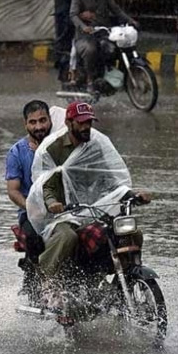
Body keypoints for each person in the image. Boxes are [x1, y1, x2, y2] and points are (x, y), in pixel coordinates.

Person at [26, 102, 151, 310]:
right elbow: (45, 184)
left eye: (89, 122)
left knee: (131, 232)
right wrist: (53, 203)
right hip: (62, 214)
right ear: (68, 122)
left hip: (93, 208)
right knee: (68, 236)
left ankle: (125, 278)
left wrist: (131, 193)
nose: (86, 127)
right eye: (81, 123)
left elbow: (109, 178)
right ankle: (48, 282)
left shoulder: (95, 145)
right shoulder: (52, 148)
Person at [5, 100, 54, 301]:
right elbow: (13, 191)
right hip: (31, 214)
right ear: (26, 124)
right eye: (33, 122)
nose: (39, 126)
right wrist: (32, 208)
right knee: (34, 236)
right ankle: (40, 280)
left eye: (43, 120)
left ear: (50, 120)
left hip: (63, 210)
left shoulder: (59, 145)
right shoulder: (16, 152)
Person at [69, 0, 139, 93]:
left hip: (103, 33)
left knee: (118, 46)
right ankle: (90, 81)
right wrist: (83, 27)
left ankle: (117, 75)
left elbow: (116, 10)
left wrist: (131, 21)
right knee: (91, 49)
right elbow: (73, 15)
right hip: (84, 36)